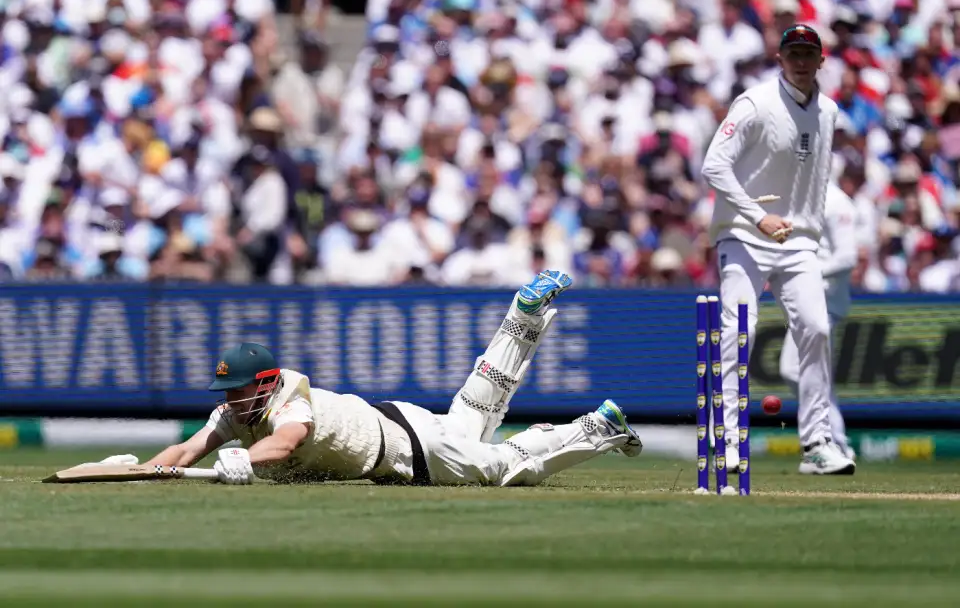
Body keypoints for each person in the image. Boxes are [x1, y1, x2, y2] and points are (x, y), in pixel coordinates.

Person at [93, 271, 642, 486]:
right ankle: (522, 315)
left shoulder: (288, 396)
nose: (232, 403)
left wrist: (243, 459)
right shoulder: (235, 412)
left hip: (412, 453)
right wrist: (146, 471)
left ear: (263, 381)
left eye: (238, 391)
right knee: (484, 397)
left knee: (504, 467)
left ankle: (598, 428)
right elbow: (188, 449)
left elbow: (290, 441)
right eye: (227, 395)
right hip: (401, 420)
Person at [700, 24, 855, 475]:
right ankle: (728, 441)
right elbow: (714, 166)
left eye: (809, 54)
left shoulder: (828, 112)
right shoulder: (754, 103)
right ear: (780, 58)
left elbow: (814, 182)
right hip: (745, 235)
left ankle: (819, 443)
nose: (801, 62)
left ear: (821, 60)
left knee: (816, 329)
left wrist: (806, 228)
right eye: (793, 54)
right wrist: (757, 216)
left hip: (799, 241)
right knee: (738, 334)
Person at [779, 181, 858, 460]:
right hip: (809, 300)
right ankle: (833, 441)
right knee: (812, 373)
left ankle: (832, 440)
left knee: (794, 369)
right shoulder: (803, 200)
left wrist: (808, 275)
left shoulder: (837, 203)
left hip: (826, 302)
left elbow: (847, 257)